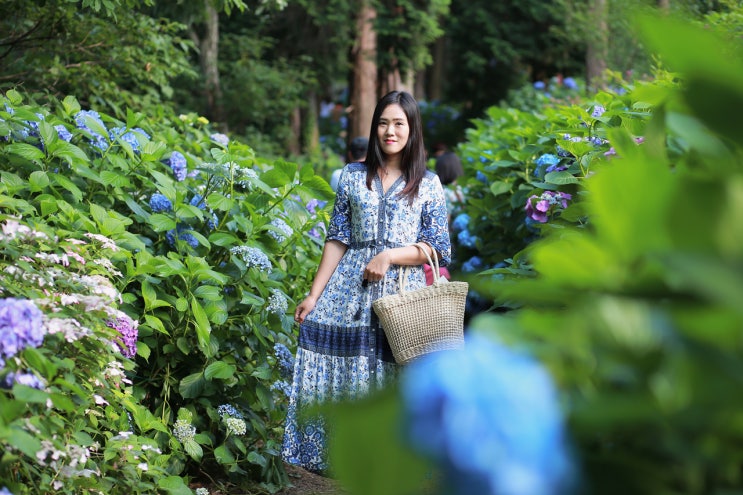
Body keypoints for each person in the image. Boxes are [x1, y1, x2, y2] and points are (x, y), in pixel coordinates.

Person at [282, 91, 451, 474]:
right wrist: (314, 294)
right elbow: (337, 238)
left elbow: (437, 247)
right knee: (339, 360)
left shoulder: (428, 182)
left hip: (401, 292)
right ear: (374, 127)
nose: (390, 131)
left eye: (399, 124)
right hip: (349, 289)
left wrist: (390, 255)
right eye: (383, 123)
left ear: (412, 129)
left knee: (392, 373)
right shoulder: (352, 177)